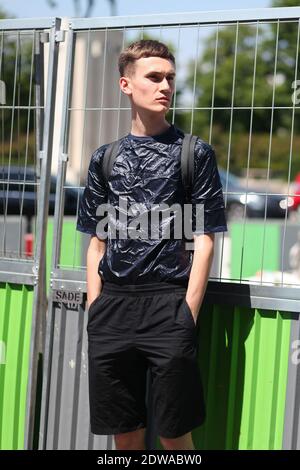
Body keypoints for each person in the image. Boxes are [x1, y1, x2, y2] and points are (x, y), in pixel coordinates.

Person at [76, 39, 228, 451]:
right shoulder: (105, 159)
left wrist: (187, 316)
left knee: (174, 434)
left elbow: (204, 241)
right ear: (126, 85)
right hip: (113, 309)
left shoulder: (193, 154)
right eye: (154, 77)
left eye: (170, 78)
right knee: (124, 434)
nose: (164, 86)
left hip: (168, 307)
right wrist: (96, 307)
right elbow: (96, 243)